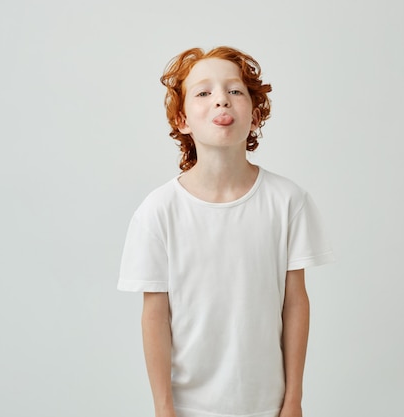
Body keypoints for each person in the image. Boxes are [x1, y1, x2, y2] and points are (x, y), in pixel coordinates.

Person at [118, 46, 334, 417]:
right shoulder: (157, 211)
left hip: (269, 405)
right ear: (183, 119)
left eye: (235, 91)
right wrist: (163, 408)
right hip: (188, 409)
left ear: (254, 115)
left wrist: (293, 399)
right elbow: (155, 315)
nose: (221, 100)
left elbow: (295, 302)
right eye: (204, 92)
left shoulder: (288, 201)